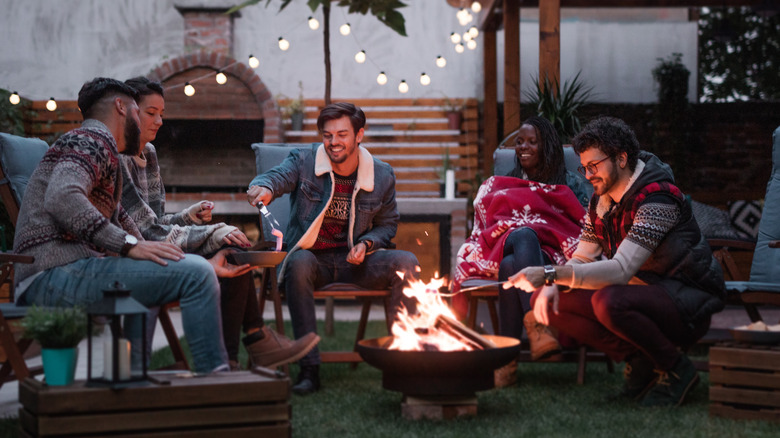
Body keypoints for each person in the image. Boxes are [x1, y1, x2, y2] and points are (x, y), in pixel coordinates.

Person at [506, 116, 726, 407]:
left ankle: (676, 369)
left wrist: (549, 273)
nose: (587, 175)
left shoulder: (658, 198)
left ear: (621, 159)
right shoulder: (601, 201)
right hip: (641, 294)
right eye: (584, 167)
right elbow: (583, 257)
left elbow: (621, 270)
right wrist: (551, 283)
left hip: (685, 299)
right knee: (549, 302)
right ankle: (642, 362)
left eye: (593, 166)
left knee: (608, 301)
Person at [12, 77, 227, 374]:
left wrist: (186, 260)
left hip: (62, 273)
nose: (145, 122)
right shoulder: (90, 140)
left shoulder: (105, 152)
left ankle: (131, 383)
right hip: (52, 275)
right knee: (197, 275)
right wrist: (129, 246)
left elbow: (133, 233)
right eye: (140, 113)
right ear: (121, 107)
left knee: (188, 271)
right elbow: (62, 197)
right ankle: (216, 387)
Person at [121, 76, 319, 370]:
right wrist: (212, 232)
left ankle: (240, 350)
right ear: (129, 111)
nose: (160, 121)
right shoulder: (119, 157)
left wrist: (189, 216)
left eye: (162, 114)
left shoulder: (148, 154)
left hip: (156, 246)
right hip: (133, 254)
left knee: (232, 246)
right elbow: (145, 231)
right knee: (226, 242)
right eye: (151, 113)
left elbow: (156, 220)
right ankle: (245, 346)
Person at [247, 102, 420, 395]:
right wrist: (262, 187)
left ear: (359, 135)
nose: (334, 142)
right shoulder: (303, 160)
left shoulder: (382, 175)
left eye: (342, 134)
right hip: (314, 260)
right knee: (299, 261)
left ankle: (405, 363)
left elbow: (388, 225)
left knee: (406, 261)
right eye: (327, 135)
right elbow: (276, 177)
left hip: (357, 261)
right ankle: (309, 368)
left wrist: (367, 243)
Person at [452, 116, 591, 361]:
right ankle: (538, 327)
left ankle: (506, 360)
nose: (523, 147)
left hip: (553, 252)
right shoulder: (506, 183)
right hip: (505, 244)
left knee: (510, 265)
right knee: (523, 234)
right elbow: (490, 222)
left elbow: (581, 226)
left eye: (532, 142)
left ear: (546, 145)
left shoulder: (571, 184)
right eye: (520, 141)